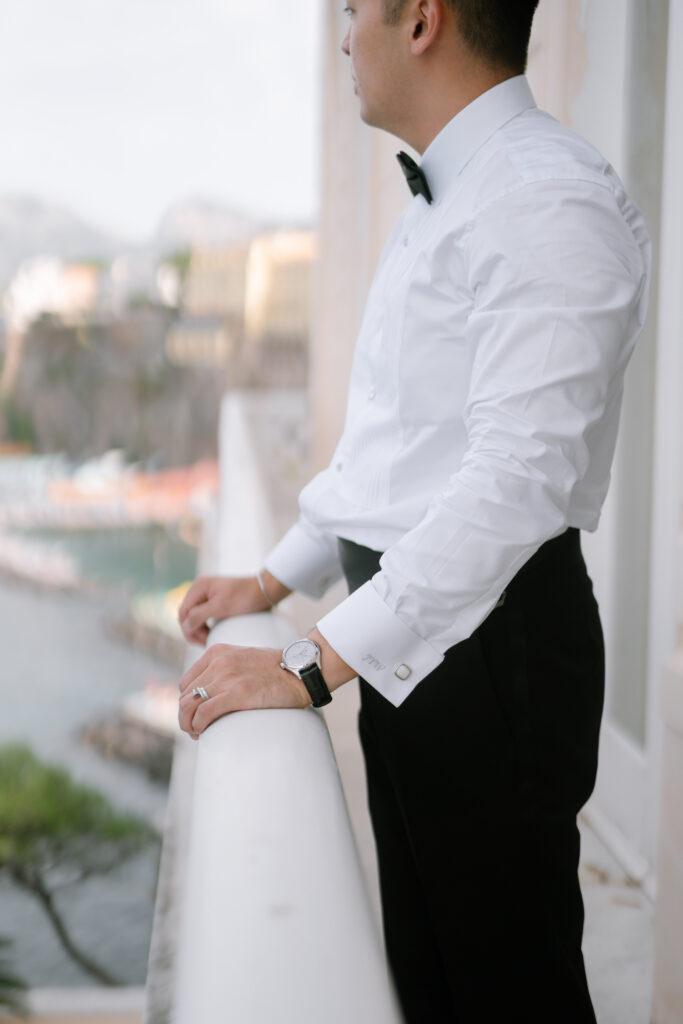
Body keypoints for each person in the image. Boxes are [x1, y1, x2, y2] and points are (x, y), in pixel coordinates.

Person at [177, 1, 650, 1020]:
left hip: (494, 658)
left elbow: (511, 484)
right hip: (421, 647)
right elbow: (391, 453)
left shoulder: (543, 197)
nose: (345, 38)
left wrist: (307, 663)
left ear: (421, 19)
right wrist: (272, 579)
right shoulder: (455, 192)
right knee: (429, 981)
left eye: (352, 13)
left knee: (507, 991)